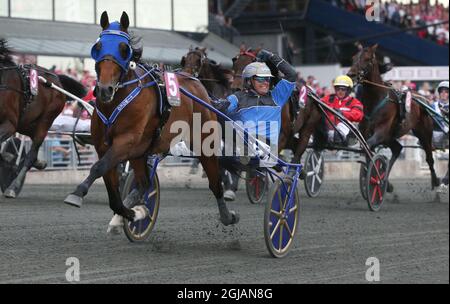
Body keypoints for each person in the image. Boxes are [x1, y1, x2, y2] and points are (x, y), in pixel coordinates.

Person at [213, 49, 297, 200]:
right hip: (242, 147)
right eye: (260, 79)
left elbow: (291, 74)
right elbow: (224, 106)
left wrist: (272, 56)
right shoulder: (238, 97)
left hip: (265, 149)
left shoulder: (277, 96)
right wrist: (217, 104)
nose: (265, 82)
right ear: (249, 81)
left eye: (267, 79)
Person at [322, 75, 364, 145]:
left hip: (346, 133)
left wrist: (342, 113)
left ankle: (337, 137)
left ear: (348, 90)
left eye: (343, 89)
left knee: (342, 124)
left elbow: (358, 115)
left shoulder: (355, 102)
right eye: (338, 89)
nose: (340, 91)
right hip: (326, 129)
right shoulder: (328, 98)